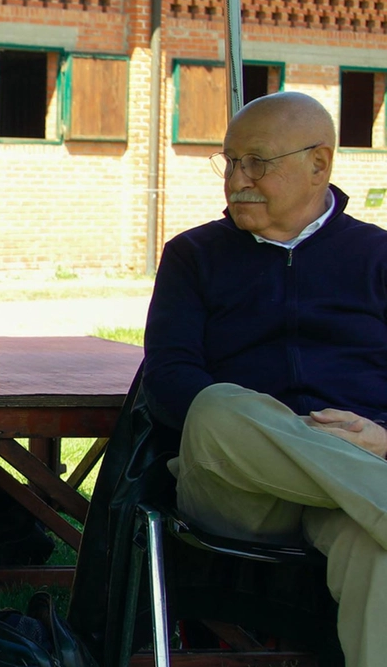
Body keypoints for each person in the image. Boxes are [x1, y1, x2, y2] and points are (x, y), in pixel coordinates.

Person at [144, 91, 387, 665]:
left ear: (319, 164)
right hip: (238, 483)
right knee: (217, 405)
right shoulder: (193, 255)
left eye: (257, 161)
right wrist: (287, 433)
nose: (237, 178)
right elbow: (170, 380)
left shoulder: (377, 257)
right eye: (229, 161)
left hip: (353, 485)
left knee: (375, 553)